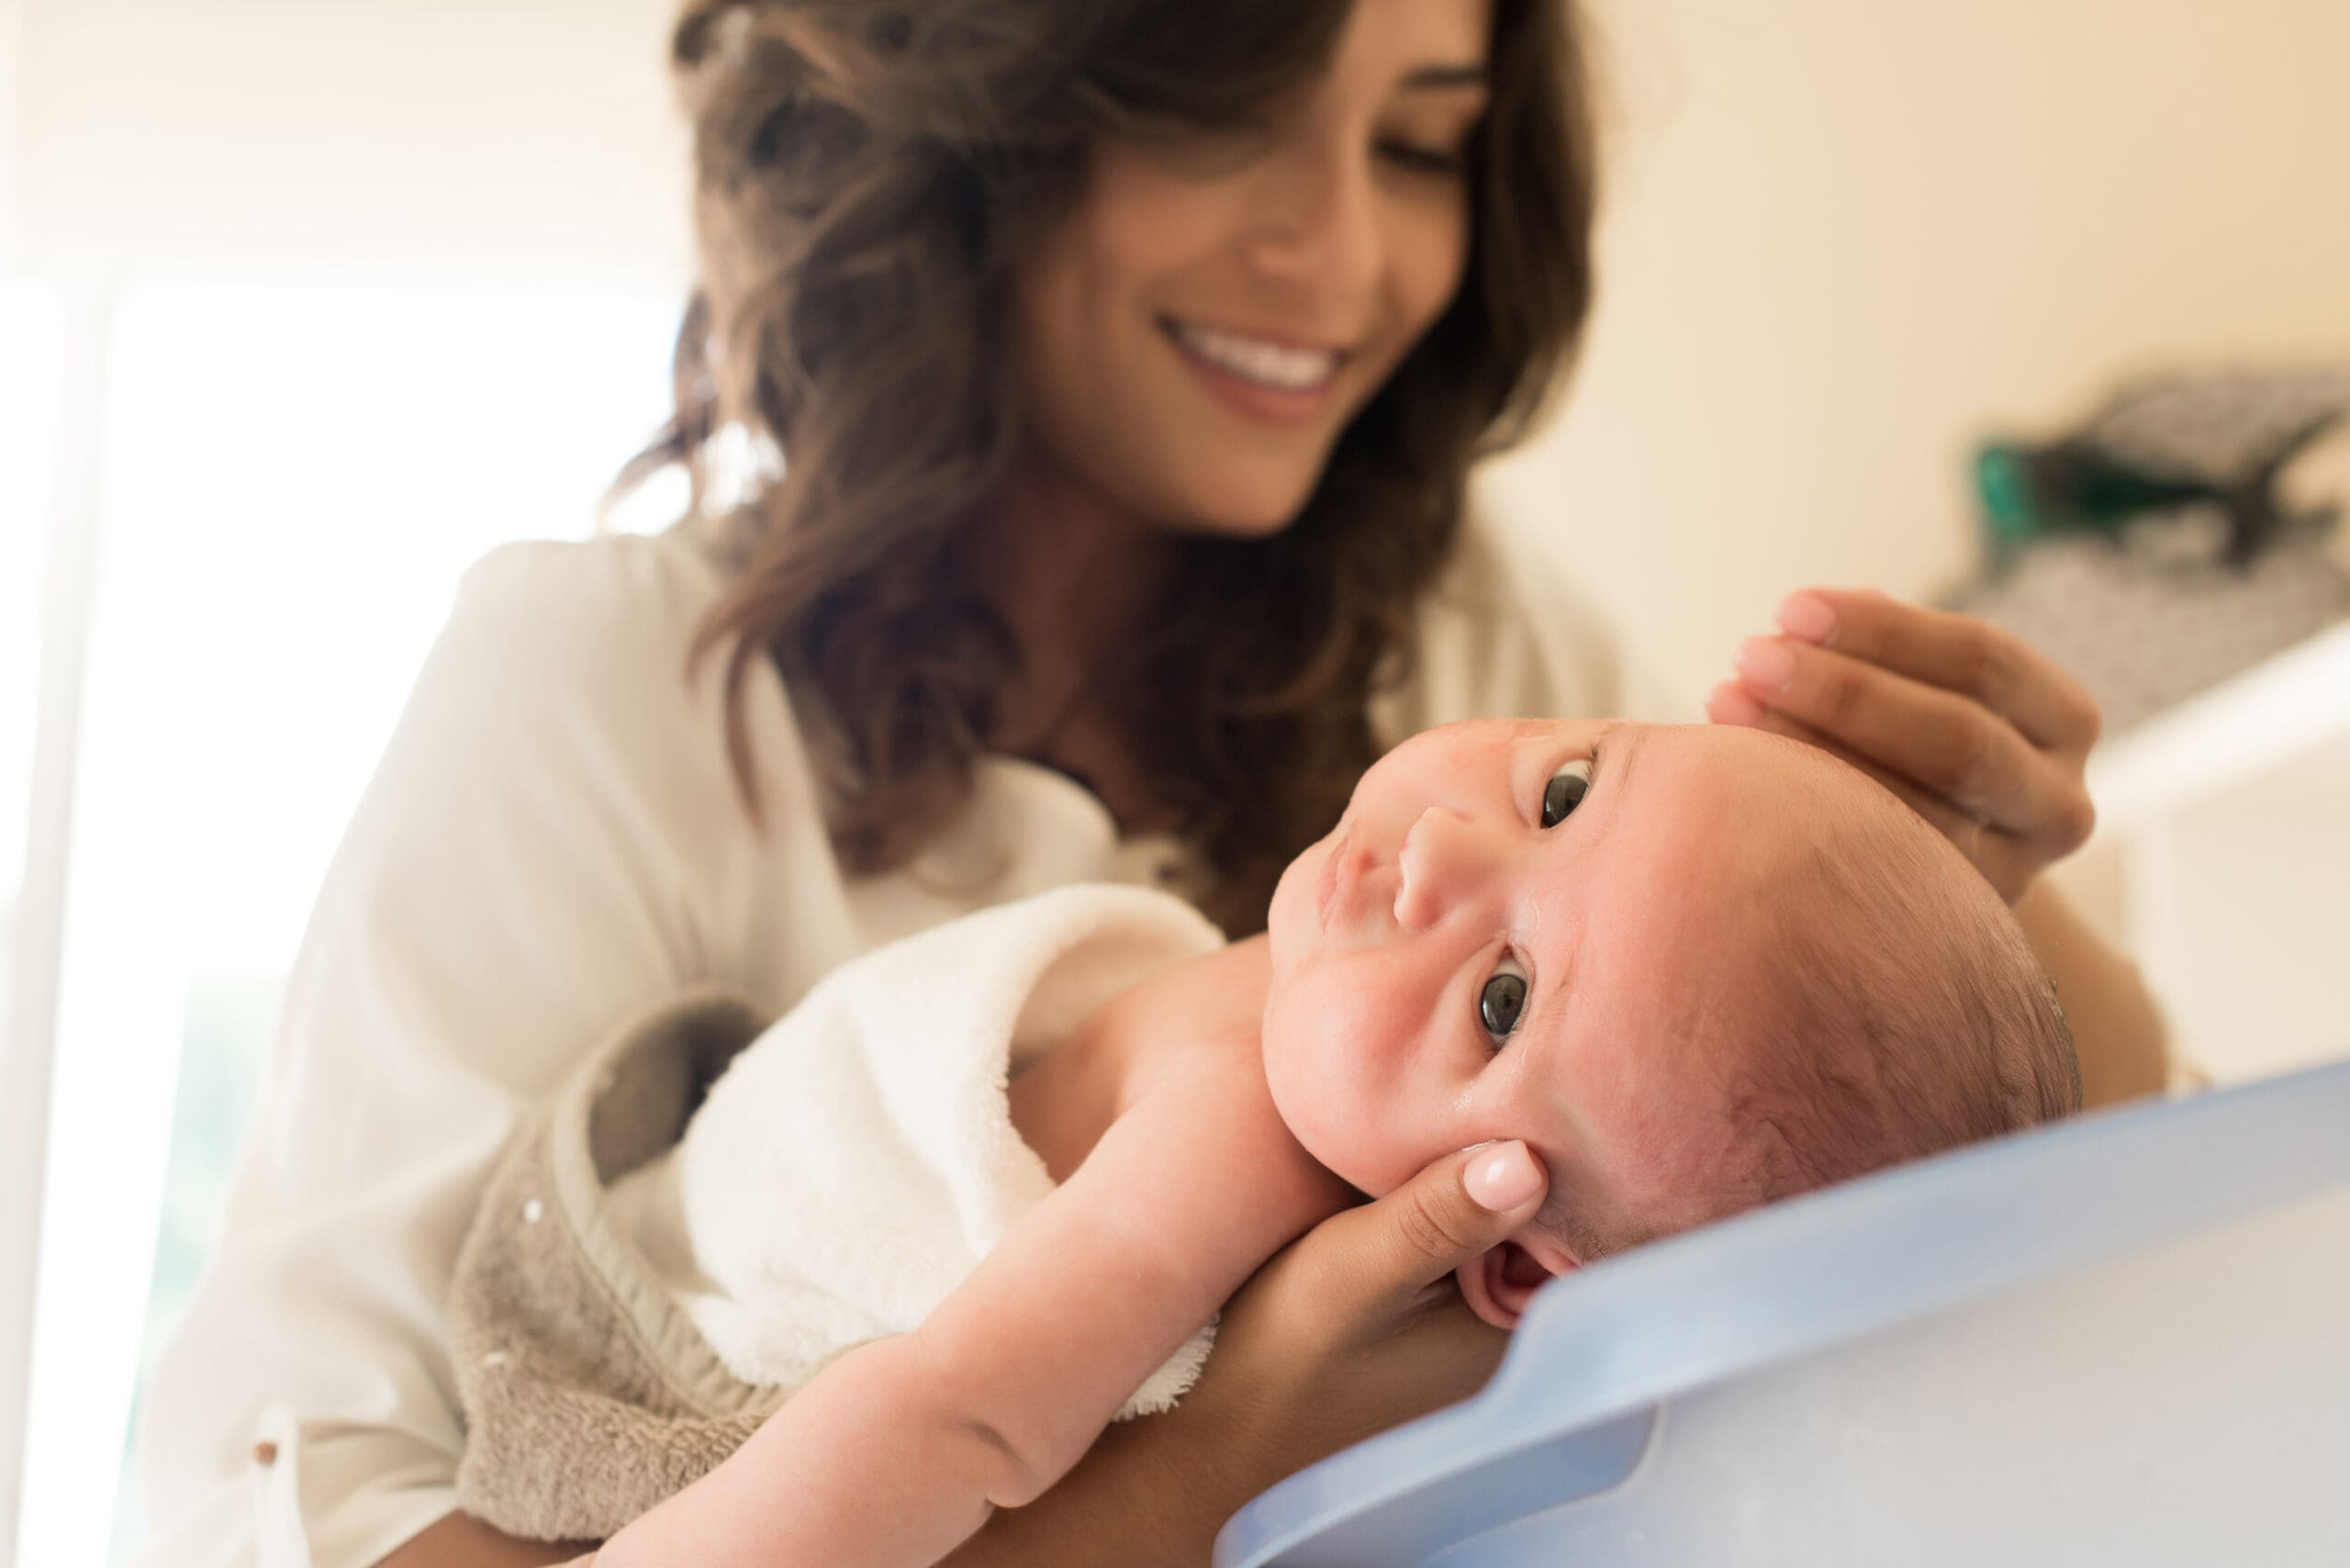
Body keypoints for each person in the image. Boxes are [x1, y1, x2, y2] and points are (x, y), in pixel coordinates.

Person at [127, 1, 2171, 1564]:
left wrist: (1960, 873)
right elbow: (307, 1493)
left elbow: (1915, 1184)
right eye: (1226, 109)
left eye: (1421, 143)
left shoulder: (1482, 650)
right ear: (981, 105)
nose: (1341, 251)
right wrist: (1201, 1474)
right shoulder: (607, 685)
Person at [443, 716, 2077, 1562]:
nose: (1442, 844)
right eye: (1565, 792)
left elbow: (957, 1409)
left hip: (702, 1351)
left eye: (1503, 1002)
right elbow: (963, 1421)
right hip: (634, 1273)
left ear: (1511, 1255)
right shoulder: (1289, 1063)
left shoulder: (1247, 1146)